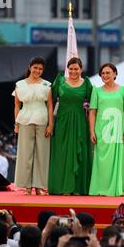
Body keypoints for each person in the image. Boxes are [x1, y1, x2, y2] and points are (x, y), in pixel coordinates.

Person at [48, 57, 93, 195]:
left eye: (76, 69)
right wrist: (50, 124)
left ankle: (78, 188)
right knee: (61, 154)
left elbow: (93, 106)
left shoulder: (87, 84)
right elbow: (50, 103)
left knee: (80, 154)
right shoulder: (59, 81)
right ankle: (63, 187)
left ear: (81, 69)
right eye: (71, 69)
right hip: (62, 122)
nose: (73, 71)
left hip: (80, 122)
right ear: (67, 69)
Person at [89, 63, 124, 196]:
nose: (105, 75)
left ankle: (119, 188)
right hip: (102, 130)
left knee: (119, 159)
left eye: (108, 72)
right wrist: (92, 131)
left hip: (118, 130)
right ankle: (100, 188)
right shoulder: (96, 90)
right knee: (102, 161)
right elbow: (92, 112)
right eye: (102, 73)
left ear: (115, 74)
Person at [13, 57, 53, 195]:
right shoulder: (20, 84)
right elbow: (17, 105)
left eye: (40, 69)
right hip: (25, 119)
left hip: (43, 118)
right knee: (25, 153)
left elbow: (50, 106)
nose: (37, 71)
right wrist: (16, 124)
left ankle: (40, 186)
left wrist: (50, 124)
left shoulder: (47, 85)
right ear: (30, 67)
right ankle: (27, 186)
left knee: (42, 152)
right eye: (35, 67)